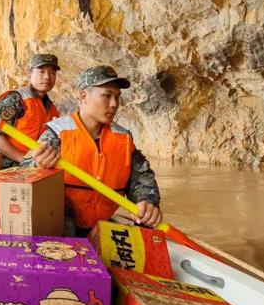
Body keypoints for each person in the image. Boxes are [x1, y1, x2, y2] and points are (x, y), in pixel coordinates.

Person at [25, 65, 162, 237]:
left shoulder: (124, 138)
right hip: (62, 228)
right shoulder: (57, 133)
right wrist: (38, 166)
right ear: (84, 96)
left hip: (102, 225)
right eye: (106, 96)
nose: (114, 104)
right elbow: (23, 172)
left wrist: (147, 202)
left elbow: (141, 178)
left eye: (117, 97)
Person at [0, 54, 61, 168]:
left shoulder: (52, 109)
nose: (47, 77)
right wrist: (23, 160)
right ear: (29, 75)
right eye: (41, 71)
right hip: (6, 166)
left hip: (33, 168)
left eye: (52, 73)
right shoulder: (16, 99)